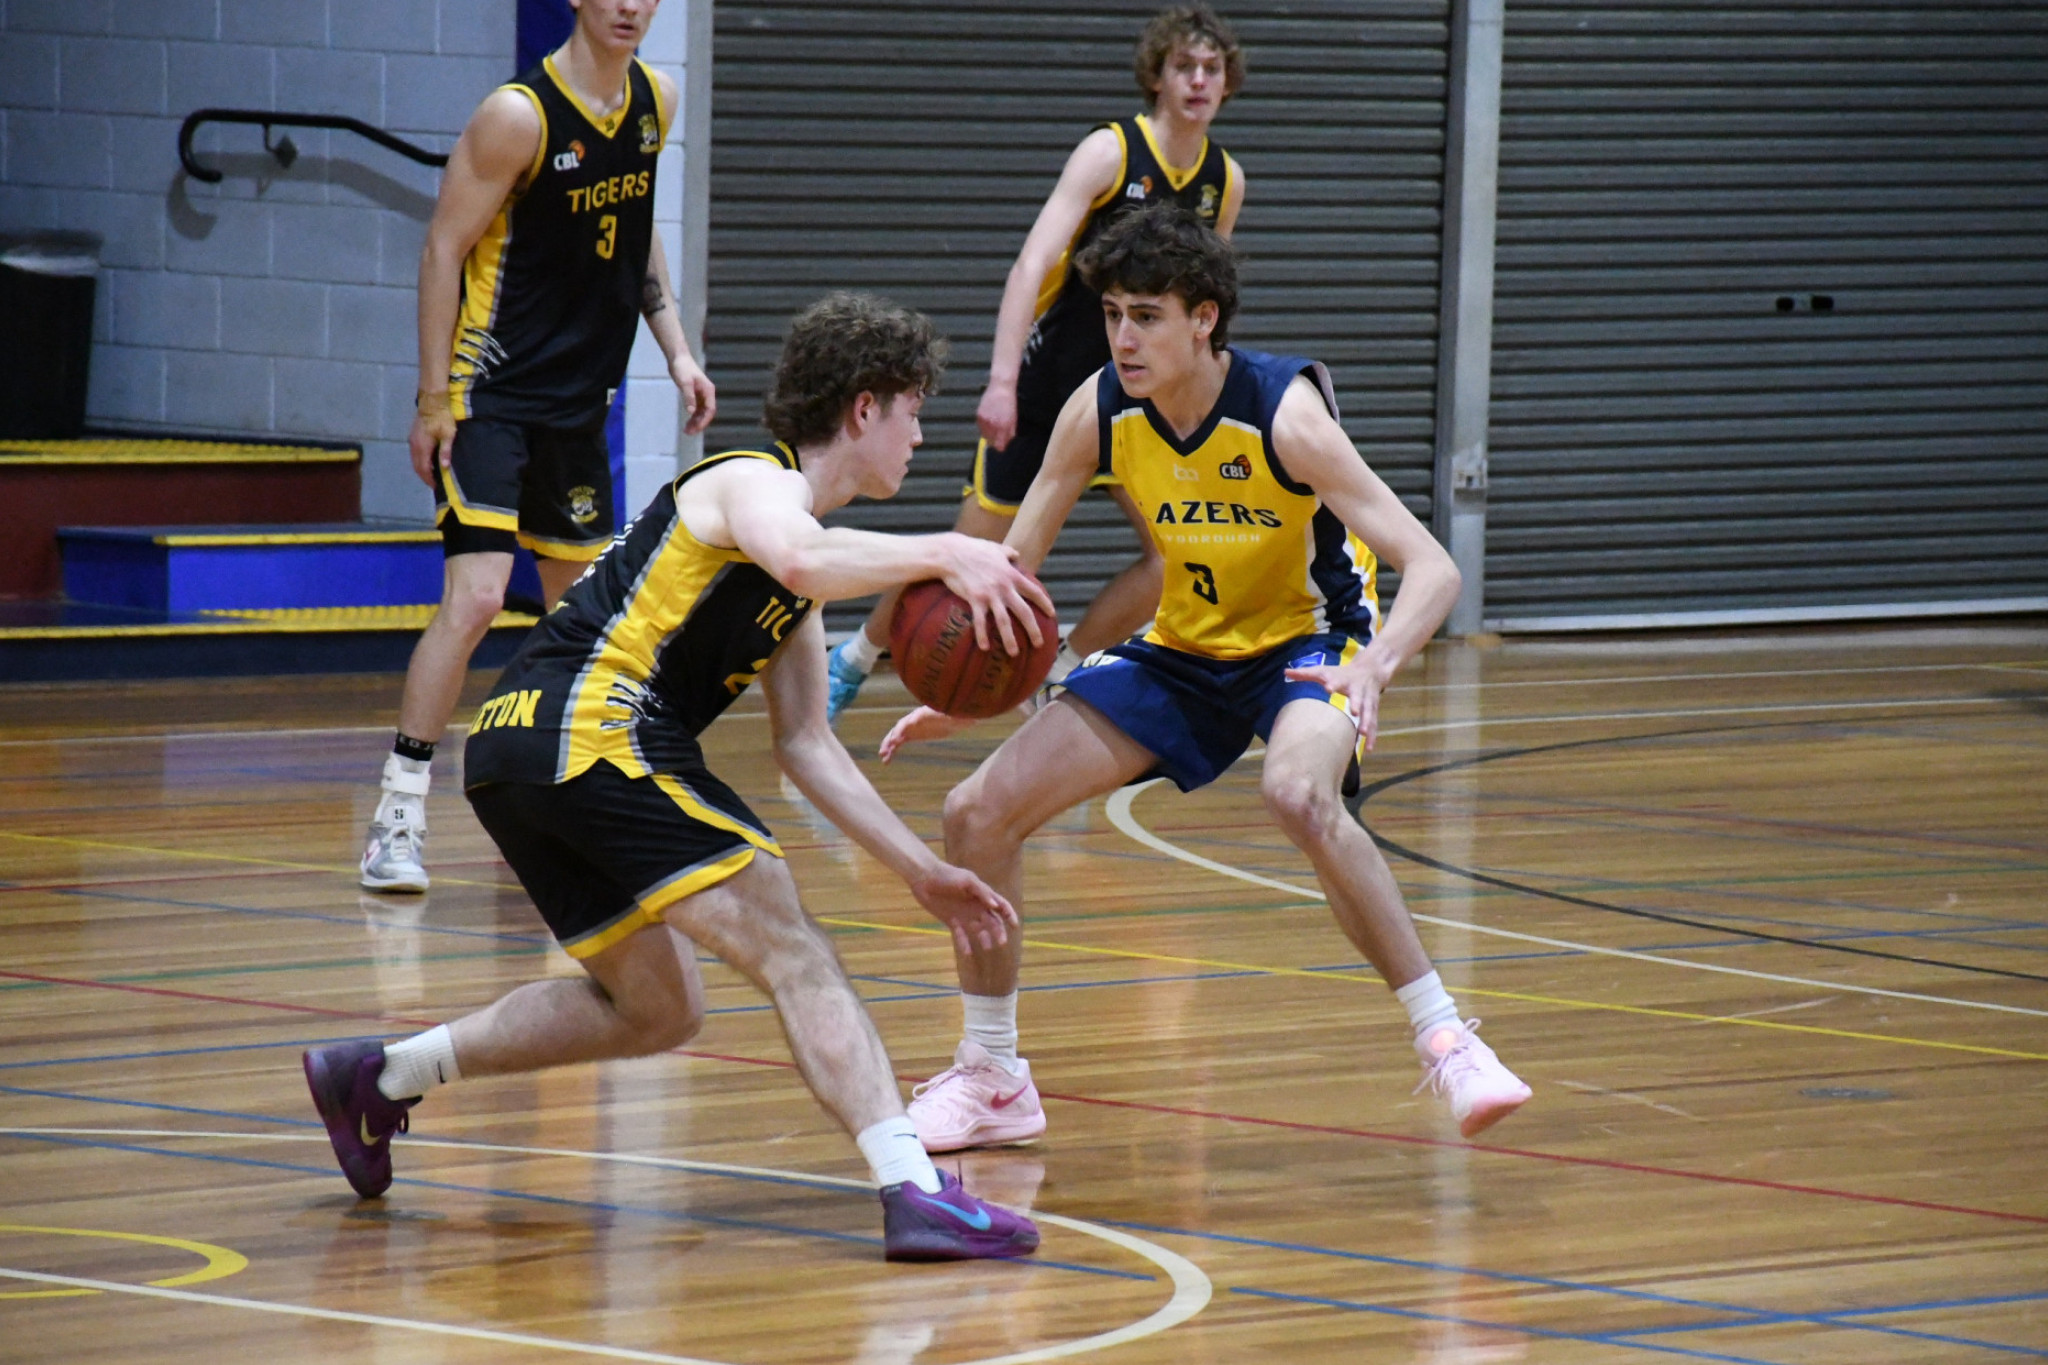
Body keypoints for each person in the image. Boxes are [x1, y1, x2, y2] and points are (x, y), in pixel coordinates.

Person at [306, 294, 1049, 1262]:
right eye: (911, 410)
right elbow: (798, 553)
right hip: (592, 727)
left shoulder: (800, 568)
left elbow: (805, 745)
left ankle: (382, 1077)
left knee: (658, 1006)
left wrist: (917, 870)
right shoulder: (753, 483)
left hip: (518, 751)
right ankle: (915, 1191)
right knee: (795, 949)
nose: (919, 434)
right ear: (862, 410)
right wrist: (948, 548)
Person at [879, 205, 1533, 1152]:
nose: (1122, 337)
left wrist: (1375, 665)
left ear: (1205, 320)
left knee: (1297, 793)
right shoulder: (1099, 407)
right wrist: (968, 689)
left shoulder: (1284, 413)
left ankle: (1446, 1034)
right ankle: (992, 1076)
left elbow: (1434, 564)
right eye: (1111, 315)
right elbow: (1013, 571)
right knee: (976, 810)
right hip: (1184, 650)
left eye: (1146, 315)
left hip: (1309, 643)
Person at [361, 0, 717, 893]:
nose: (633, 6)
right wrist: (432, 398)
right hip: (491, 396)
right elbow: (444, 248)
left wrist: (678, 351)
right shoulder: (518, 115)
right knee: (478, 595)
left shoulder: (657, 101)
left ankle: (573, 813)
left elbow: (636, 240)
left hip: (577, 407)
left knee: (582, 628)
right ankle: (398, 815)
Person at [823, 4, 1248, 723]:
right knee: (967, 550)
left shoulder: (1224, 181)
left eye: (1212, 69)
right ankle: (856, 659)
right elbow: (1030, 266)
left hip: (1135, 397)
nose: (1199, 80)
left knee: (1174, 554)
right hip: (1052, 382)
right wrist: (1000, 381)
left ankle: (1061, 666)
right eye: (1185, 66)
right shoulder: (1111, 153)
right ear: (1158, 75)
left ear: (1227, 83)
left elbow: (1207, 306)